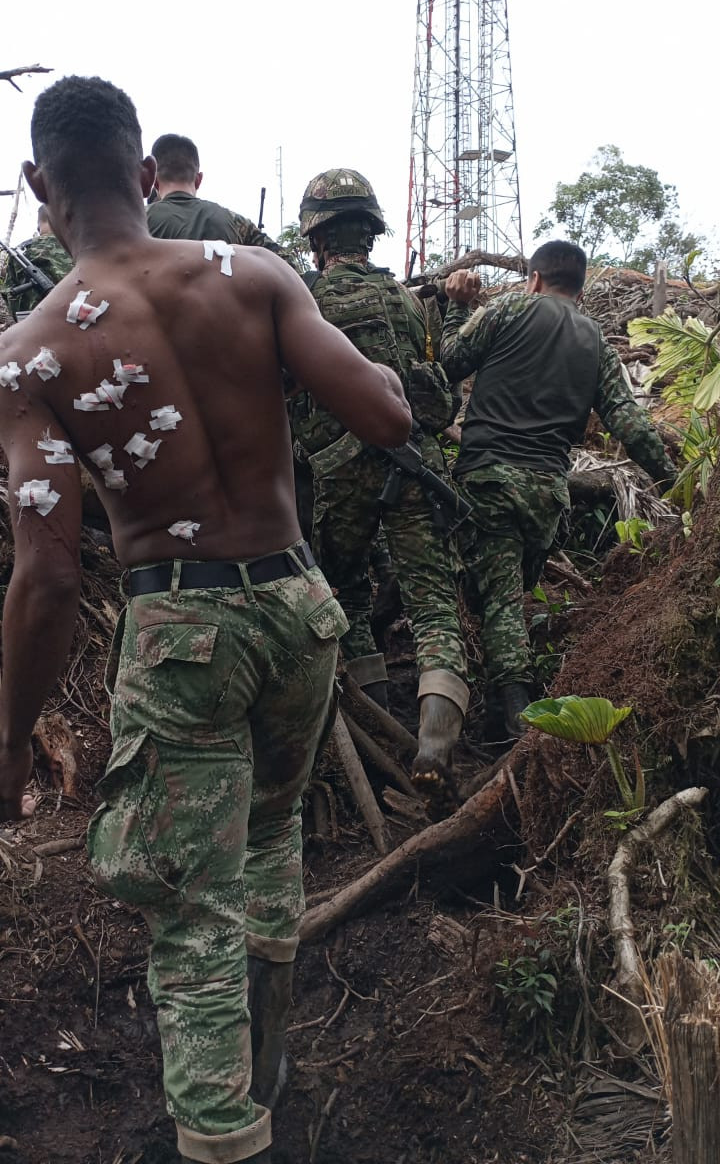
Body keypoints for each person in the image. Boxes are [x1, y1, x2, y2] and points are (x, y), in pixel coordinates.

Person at [0, 76, 411, 1164]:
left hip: (183, 629)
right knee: (271, 835)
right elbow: (384, 414)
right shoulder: (257, 275)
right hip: (299, 605)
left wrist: (10, 744)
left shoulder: (31, 352)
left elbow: (44, 577)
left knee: (190, 906)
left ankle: (226, 1137)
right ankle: (269, 1066)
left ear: (41, 186)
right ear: (146, 173)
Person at [440, 240, 677, 747]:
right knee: (506, 599)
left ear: (534, 279)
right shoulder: (596, 341)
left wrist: (454, 307)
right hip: (549, 493)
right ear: (581, 289)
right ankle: (495, 717)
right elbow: (631, 425)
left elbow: (449, 363)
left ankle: (515, 727)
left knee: (499, 603)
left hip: (490, 479)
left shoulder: (506, 310)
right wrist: (675, 483)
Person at [290, 168, 469, 814]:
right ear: (371, 232)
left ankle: (370, 730)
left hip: (340, 474)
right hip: (413, 465)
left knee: (345, 596)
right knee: (433, 609)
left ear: (317, 239)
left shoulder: (304, 301)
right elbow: (440, 399)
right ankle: (433, 742)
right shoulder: (409, 302)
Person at [146, 132, 294, 264]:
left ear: (154, 181)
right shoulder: (234, 222)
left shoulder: (136, 221)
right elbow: (287, 263)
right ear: (198, 179)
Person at [0, 203, 72, 321]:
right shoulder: (82, 248)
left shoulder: (21, 251)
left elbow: (12, 299)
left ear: (39, 225)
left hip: (36, 329)